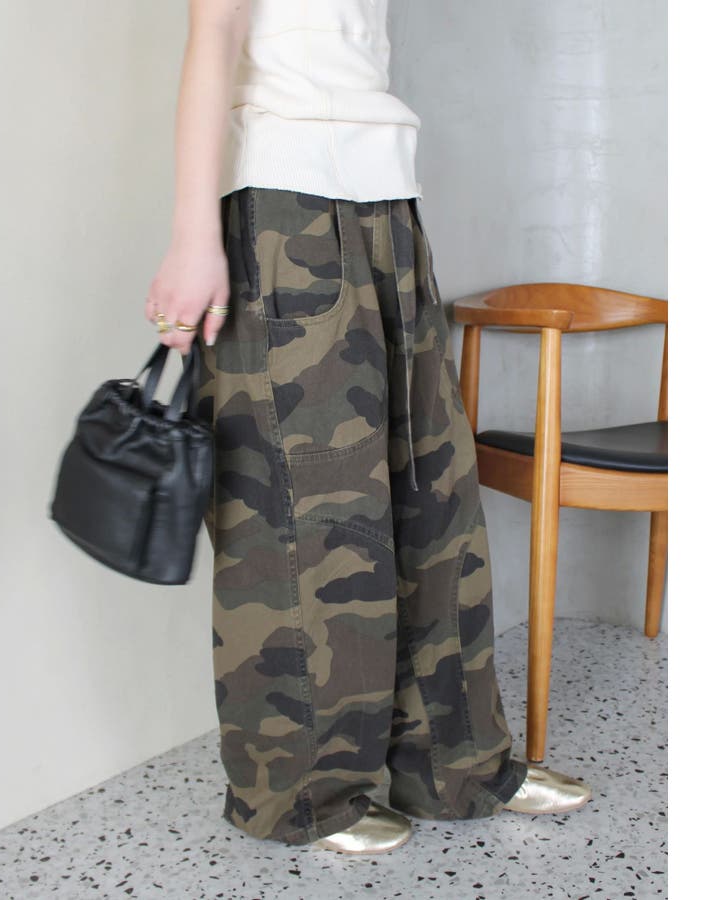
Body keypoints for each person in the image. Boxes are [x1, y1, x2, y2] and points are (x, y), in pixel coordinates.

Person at [144, 0, 591, 855]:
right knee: (308, 511)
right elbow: (215, 33)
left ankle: (457, 766)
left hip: (387, 202)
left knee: (434, 495)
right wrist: (194, 236)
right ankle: (306, 795)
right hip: (283, 209)